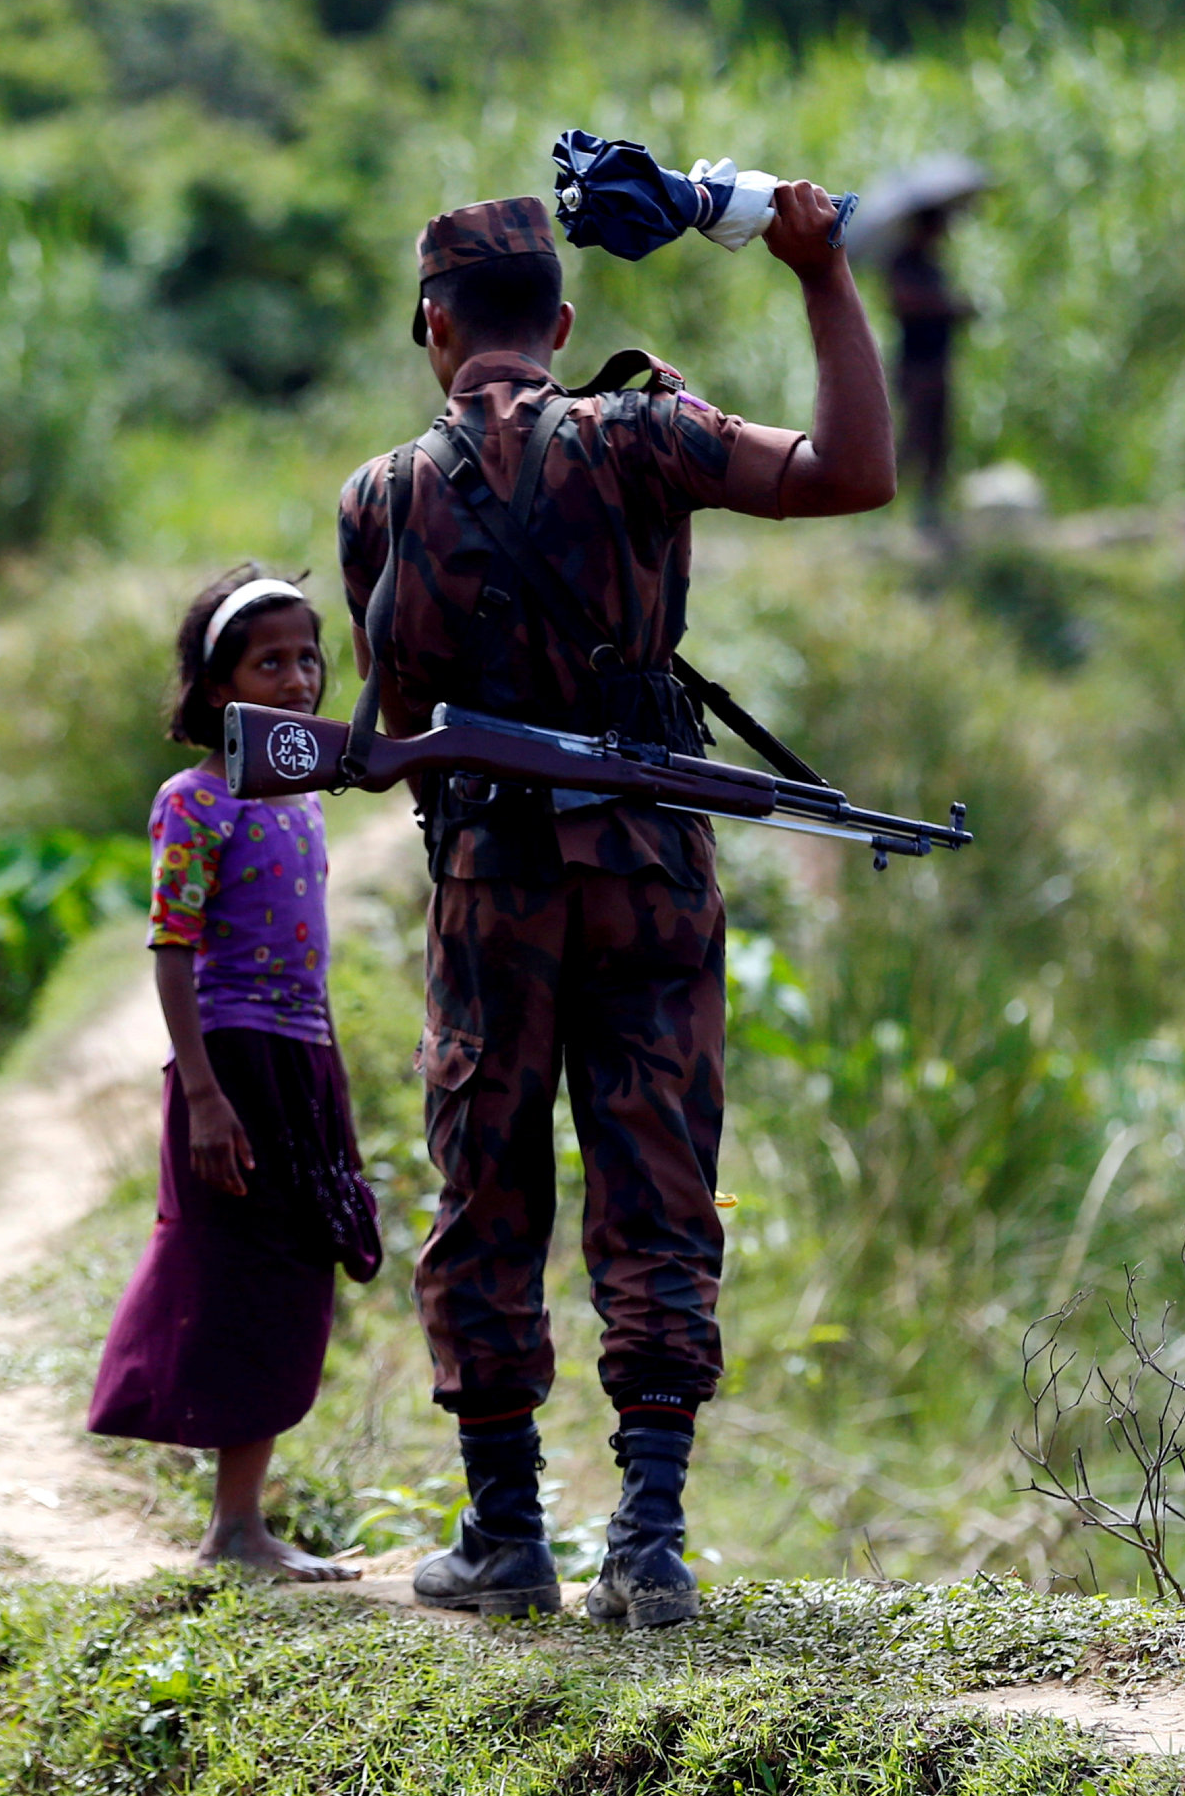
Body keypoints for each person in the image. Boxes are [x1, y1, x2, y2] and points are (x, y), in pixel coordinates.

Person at [336, 186, 892, 1628]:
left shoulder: (380, 494)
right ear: (565, 322)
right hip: (651, 871)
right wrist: (819, 273)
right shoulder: (641, 433)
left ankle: (506, 1531)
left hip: (488, 887)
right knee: (658, 1183)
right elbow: (853, 470)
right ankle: (647, 1535)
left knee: (486, 1184)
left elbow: (393, 707)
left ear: (435, 326)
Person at [87, 567, 385, 1581]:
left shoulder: (299, 798)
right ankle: (234, 1526)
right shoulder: (192, 803)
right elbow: (172, 949)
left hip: (302, 1057)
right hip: (231, 1061)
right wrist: (205, 1095)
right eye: (270, 662)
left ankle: (239, 1526)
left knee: (294, 1271)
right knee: (235, 1270)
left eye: (308, 658)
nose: (298, 679)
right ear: (219, 688)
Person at [883, 205, 974, 535]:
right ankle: (882, 504)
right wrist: (947, 306)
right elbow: (903, 301)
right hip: (915, 362)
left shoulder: (932, 265)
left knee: (939, 439)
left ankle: (929, 509)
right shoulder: (903, 261)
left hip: (937, 360)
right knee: (913, 435)